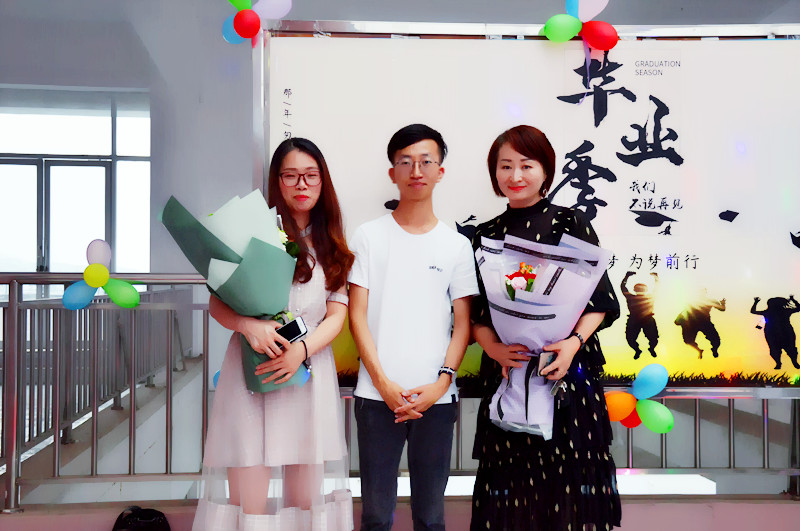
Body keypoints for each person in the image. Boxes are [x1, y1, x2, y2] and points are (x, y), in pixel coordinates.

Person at [193, 138, 355, 531]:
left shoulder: (333, 242)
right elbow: (218, 304)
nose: (301, 184)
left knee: (305, 499)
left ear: (323, 182)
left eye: (310, 175)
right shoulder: (254, 234)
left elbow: (336, 316)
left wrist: (302, 350)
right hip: (252, 370)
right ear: (276, 181)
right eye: (290, 175)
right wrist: (249, 326)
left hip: (307, 371)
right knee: (248, 490)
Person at [469, 125, 621, 531]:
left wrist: (572, 344)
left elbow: (601, 300)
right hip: (510, 374)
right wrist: (493, 349)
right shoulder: (485, 235)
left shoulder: (570, 223)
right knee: (509, 489)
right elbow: (475, 314)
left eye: (526, 165)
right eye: (505, 166)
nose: (515, 175)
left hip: (567, 377)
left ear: (545, 171)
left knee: (567, 487)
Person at [348, 123, 479, 531]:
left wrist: (442, 383)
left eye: (426, 161)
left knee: (431, 515)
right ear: (393, 172)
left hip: (436, 400)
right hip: (376, 397)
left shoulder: (456, 244)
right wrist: (383, 384)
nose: (416, 171)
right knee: (375, 516)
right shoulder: (369, 236)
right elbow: (356, 315)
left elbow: (463, 324)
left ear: (441, 171)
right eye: (405, 162)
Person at [751, 295, 800, 370]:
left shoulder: (768, 312)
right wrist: (793, 300)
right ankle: (793, 362)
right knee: (790, 349)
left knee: (776, 349)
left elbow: (753, 311)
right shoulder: (786, 311)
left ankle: (780, 363)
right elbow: (798, 308)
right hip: (784, 332)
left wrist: (756, 302)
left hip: (773, 332)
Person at [674, 288, 726, 359]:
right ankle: (700, 350)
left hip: (704, 323)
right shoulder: (693, 301)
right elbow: (685, 310)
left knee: (716, 340)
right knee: (688, 341)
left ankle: (714, 349)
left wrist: (723, 303)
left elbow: (722, 309)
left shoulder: (709, 301)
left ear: (705, 293)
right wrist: (679, 319)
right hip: (694, 323)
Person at [621, 271, 659, 359]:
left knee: (653, 338)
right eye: (638, 289)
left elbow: (657, 288)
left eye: (641, 289)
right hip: (635, 320)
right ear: (635, 290)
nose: (640, 290)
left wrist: (656, 278)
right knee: (630, 338)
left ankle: (650, 348)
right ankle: (638, 350)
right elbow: (623, 287)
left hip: (647, 320)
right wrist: (626, 277)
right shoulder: (631, 297)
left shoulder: (649, 297)